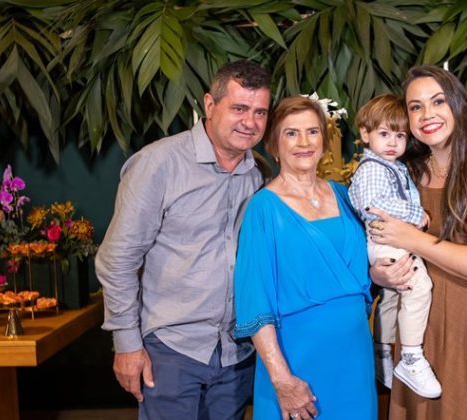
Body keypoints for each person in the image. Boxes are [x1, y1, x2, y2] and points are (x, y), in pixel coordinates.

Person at [95, 60, 271, 419]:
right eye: (239, 108)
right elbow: (118, 259)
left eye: (260, 112)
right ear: (210, 105)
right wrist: (126, 344)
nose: (250, 122)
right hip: (170, 352)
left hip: (236, 354)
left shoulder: (260, 174)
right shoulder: (159, 163)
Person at [368, 65, 467, 419]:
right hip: (416, 327)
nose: (427, 114)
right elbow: (382, 240)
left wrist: (412, 238)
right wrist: (379, 273)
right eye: (416, 107)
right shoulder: (406, 171)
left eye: (438, 101)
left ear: (458, 104)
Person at [234, 96, 377, 419]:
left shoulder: (346, 196)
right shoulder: (262, 209)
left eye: (312, 132)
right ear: (274, 144)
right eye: (291, 133)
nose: (304, 142)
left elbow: (366, 272)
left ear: (324, 140)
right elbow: (255, 300)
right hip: (295, 360)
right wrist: (282, 379)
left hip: (354, 357)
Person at [347, 94, 441, 399]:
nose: (393, 143)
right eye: (384, 134)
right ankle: (411, 356)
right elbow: (373, 203)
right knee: (418, 286)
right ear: (365, 134)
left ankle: (383, 352)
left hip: (389, 238)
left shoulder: (391, 165)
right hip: (386, 238)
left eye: (400, 136)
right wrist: (417, 214)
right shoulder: (373, 168)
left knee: (391, 295)